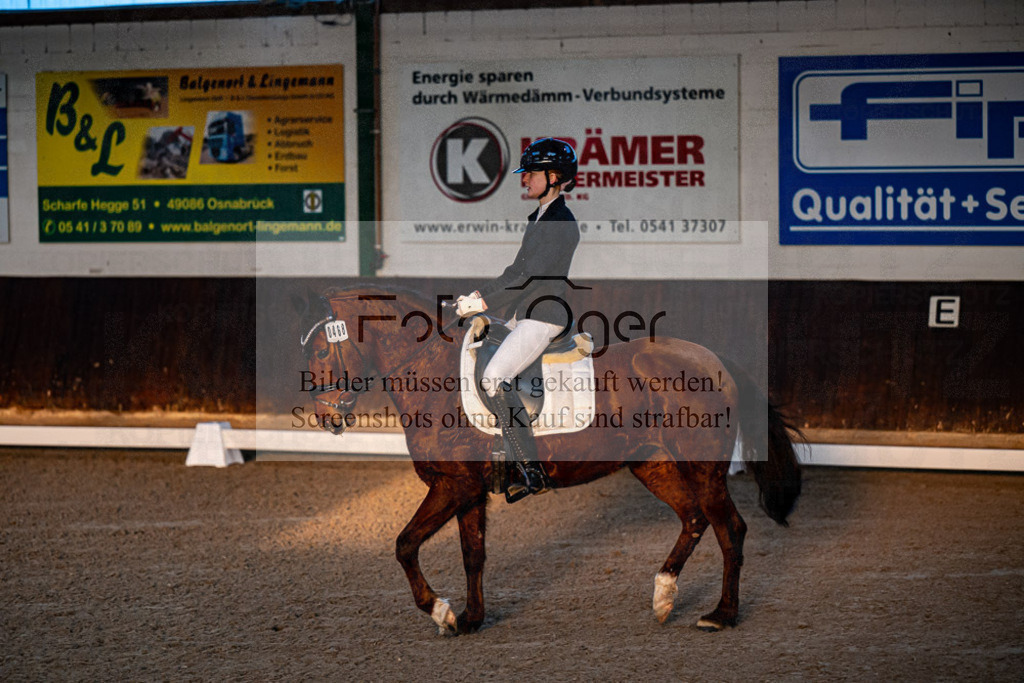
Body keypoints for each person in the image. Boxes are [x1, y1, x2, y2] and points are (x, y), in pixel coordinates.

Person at [456, 138, 580, 502]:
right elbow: (514, 270)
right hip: (524, 313)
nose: (524, 179)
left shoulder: (561, 222)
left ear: (554, 176)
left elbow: (528, 278)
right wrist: (480, 298)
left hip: (543, 316)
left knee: (495, 379)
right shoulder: (540, 217)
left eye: (530, 174)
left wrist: (481, 300)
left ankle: (531, 470)